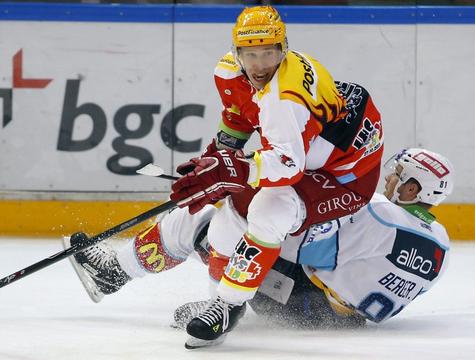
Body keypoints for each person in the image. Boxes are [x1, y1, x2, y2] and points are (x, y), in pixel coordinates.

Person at [65, 147, 455, 348]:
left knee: (214, 216)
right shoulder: (441, 241)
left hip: (298, 304)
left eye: (398, 176)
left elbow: (302, 248)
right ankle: (223, 302)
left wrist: (247, 192)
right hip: (336, 318)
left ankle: (113, 273)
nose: (387, 179)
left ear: (414, 189)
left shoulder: (376, 212)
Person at [165, 5, 384, 347]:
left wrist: (232, 169)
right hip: (316, 144)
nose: (260, 64)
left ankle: (227, 303)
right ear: (235, 53)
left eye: (269, 53)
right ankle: (221, 299)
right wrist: (216, 161)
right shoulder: (229, 72)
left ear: (283, 49)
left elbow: (287, 166)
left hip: (346, 176)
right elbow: (239, 119)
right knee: (232, 205)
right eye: (250, 54)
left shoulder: (284, 100)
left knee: (271, 209)